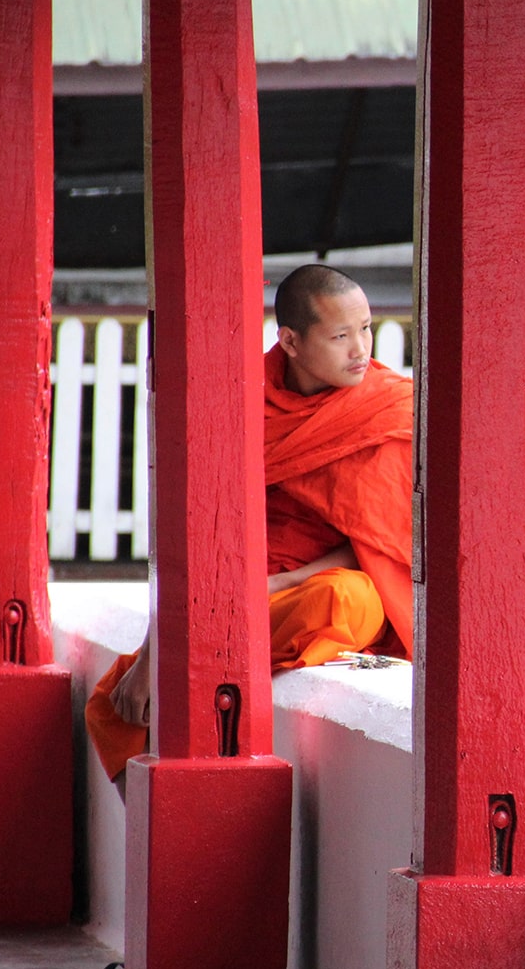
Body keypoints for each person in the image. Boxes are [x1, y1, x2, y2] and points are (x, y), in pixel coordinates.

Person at [83, 264, 414, 787]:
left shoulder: (388, 407)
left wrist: (282, 582)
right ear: (291, 340)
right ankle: (168, 849)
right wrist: (153, 650)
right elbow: (194, 535)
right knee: (114, 705)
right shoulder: (240, 405)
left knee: (348, 598)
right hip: (233, 593)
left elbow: (381, 543)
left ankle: (192, 651)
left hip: (310, 587)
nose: (361, 349)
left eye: (367, 328)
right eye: (341, 335)